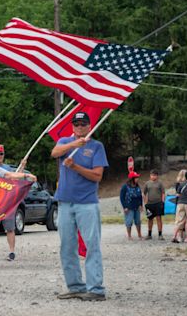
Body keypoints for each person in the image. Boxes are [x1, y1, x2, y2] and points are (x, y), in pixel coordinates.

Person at [50, 111, 108, 302]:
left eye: (83, 124)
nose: (80, 127)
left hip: (87, 203)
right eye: (76, 124)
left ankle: (96, 289)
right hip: (65, 202)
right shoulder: (65, 142)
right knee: (67, 246)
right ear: (72, 126)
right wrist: (75, 144)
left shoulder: (96, 146)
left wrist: (75, 167)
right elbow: (54, 153)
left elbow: (97, 176)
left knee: (92, 246)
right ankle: (75, 286)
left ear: (90, 126)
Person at [0, 143, 25, 262]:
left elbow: (16, 177)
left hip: (8, 202)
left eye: (1, 153)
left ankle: (11, 252)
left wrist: (22, 167)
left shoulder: (8, 168)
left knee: (10, 228)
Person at [120, 171, 143, 240]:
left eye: (137, 178)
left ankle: (139, 235)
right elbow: (122, 197)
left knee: (138, 221)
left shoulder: (137, 186)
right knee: (129, 221)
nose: (137, 179)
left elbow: (140, 196)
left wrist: (141, 205)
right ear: (132, 179)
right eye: (136, 178)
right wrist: (125, 207)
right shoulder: (125, 187)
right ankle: (129, 236)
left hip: (137, 206)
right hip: (129, 207)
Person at [143, 169, 166, 240]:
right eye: (152, 175)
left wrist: (163, 201)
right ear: (150, 176)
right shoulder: (147, 183)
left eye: (155, 175)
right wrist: (145, 203)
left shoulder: (160, 183)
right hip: (150, 204)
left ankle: (160, 234)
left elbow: (163, 193)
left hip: (158, 203)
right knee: (150, 219)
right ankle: (149, 234)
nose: (153, 177)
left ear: (157, 176)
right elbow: (144, 193)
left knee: (159, 218)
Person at [172, 169, 187, 242]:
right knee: (184, 220)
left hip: (178, 202)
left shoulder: (177, 183)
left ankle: (179, 236)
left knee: (179, 219)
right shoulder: (186, 183)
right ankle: (181, 236)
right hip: (184, 202)